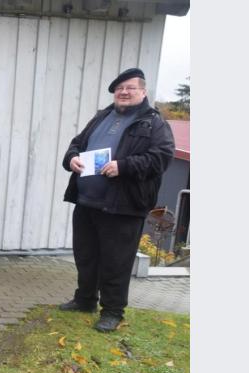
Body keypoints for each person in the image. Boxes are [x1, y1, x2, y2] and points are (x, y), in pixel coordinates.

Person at [59, 68, 174, 332]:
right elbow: (77, 143)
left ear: (143, 91)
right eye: (119, 88)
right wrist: (72, 158)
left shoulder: (154, 123)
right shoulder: (102, 116)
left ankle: (112, 311)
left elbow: (161, 158)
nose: (123, 92)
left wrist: (124, 166)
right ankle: (85, 299)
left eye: (130, 88)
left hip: (123, 207)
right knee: (85, 255)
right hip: (87, 201)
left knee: (116, 262)